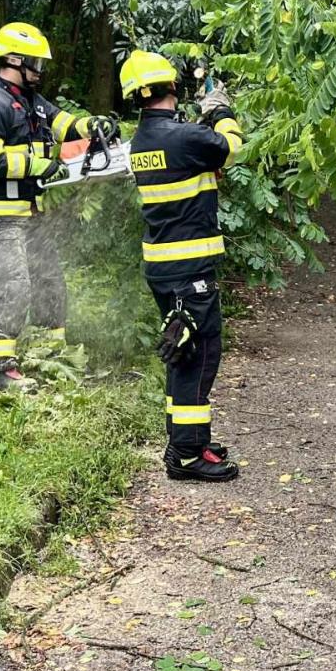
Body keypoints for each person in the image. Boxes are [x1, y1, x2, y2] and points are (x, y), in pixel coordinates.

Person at [0, 22, 119, 390]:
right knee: (12, 285)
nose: (40, 70)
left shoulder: (33, 101)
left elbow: (66, 123)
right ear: (14, 59)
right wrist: (38, 165)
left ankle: (51, 355)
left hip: (29, 213)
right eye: (36, 63)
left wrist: (92, 125)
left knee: (49, 282)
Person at [120, 49, 242, 482]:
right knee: (198, 356)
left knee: (181, 351)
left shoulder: (146, 140)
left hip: (164, 267)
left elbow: (195, 157)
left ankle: (186, 440)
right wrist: (221, 110)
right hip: (189, 270)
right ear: (173, 87)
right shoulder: (183, 137)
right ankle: (188, 455)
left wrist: (200, 125)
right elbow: (230, 148)